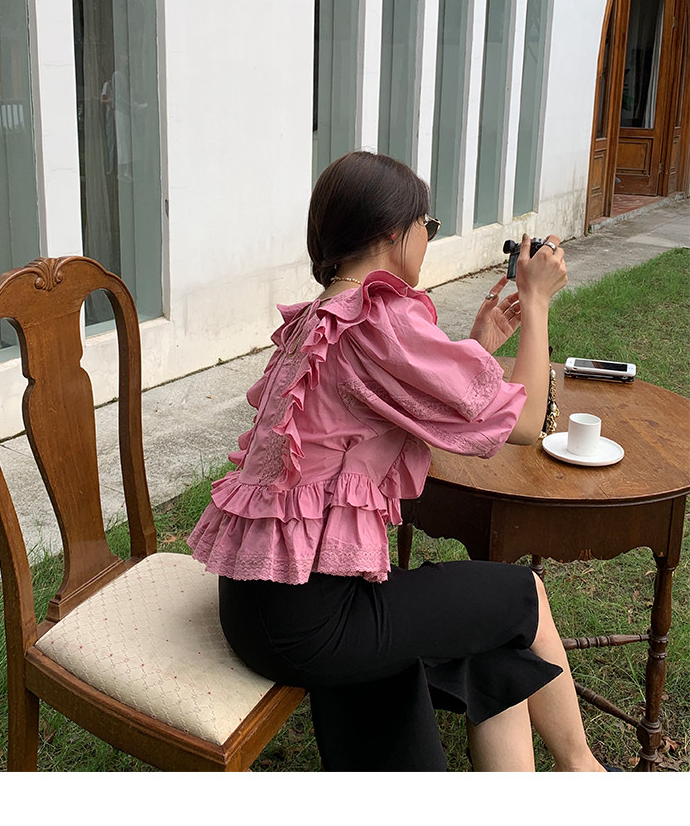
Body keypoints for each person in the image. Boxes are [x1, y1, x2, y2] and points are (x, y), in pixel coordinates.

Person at [188, 150, 607, 772]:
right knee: (526, 594)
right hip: (311, 618)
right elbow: (523, 425)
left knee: (492, 649)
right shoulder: (380, 318)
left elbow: (394, 399)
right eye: (427, 226)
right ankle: (584, 773)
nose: (428, 240)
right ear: (393, 232)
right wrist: (537, 301)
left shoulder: (324, 316)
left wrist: (479, 344)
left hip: (257, 602)